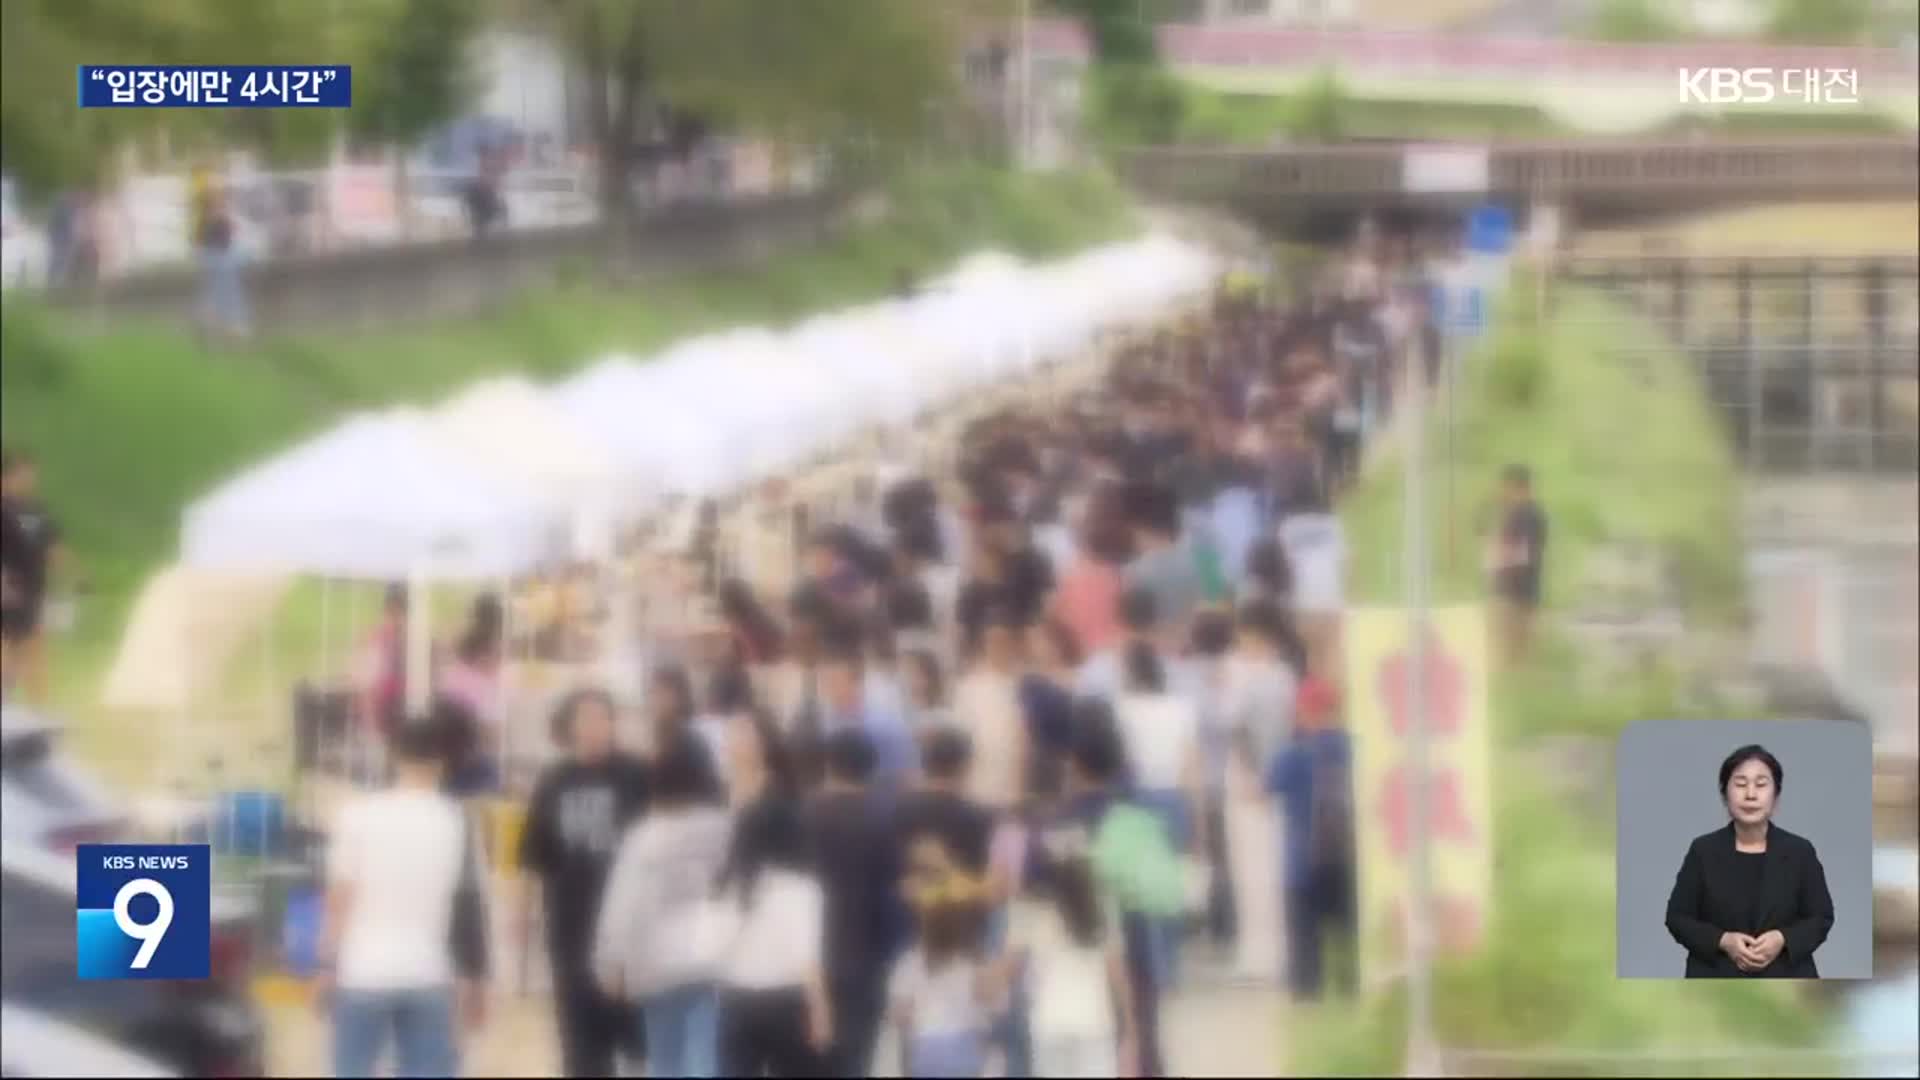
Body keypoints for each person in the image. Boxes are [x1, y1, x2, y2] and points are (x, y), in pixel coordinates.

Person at [320, 720, 490, 1078]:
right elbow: (469, 909)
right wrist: (475, 981)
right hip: (429, 971)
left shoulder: (358, 815)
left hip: (362, 970)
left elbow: (340, 899)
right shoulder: (458, 820)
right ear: (442, 762)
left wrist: (325, 966)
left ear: (393, 756)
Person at [517, 688, 653, 1077]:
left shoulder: (637, 774)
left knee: (634, 1045)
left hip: (629, 934)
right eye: (587, 718)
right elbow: (533, 856)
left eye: (603, 717)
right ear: (571, 725)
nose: (596, 727)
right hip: (570, 931)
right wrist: (521, 916)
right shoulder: (554, 779)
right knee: (580, 1048)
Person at [595, 735, 731, 1078]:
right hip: (712, 958)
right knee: (705, 1057)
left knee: (664, 1058)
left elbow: (622, 904)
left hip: (654, 961)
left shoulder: (645, 835)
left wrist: (612, 963)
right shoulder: (725, 829)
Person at [715, 708, 832, 1077]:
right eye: (730, 734)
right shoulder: (724, 796)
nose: (732, 742)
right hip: (735, 976)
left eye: (743, 733)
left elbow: (800, 910)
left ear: (764, 743)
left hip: (779, 980)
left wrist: (817, 998)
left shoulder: (778, 808)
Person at [1664, 744, 1835, 979]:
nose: (1751, 794)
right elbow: (1677, 918)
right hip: (1715, 979)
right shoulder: (1703, 850)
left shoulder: (1799, 851)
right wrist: (1723, 941)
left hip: (1786, 979)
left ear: (1776, 797)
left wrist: (1782, 939)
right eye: (1741, 784)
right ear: (1725, 794)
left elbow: (1821, 917)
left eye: (1761, 784)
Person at [807, 731, 907, 1077]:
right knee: (856, 1059)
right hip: (865, 958)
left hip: (807, 958)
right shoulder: (884, 821)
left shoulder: (802, 815)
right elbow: (895, 897)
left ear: (828, 764)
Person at [1112, 641, 1206, 993]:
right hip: (1173, 798)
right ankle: (1170, 967)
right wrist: (1196, 816)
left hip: (1136, 798)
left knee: (1139, 890)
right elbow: (1190, 764)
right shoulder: (1182, 709)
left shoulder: (1122, 710)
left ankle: (1149, 969)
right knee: (1169, 888)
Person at [997, 849, 1137, 1078]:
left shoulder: (1031, 910)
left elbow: (1009, 969)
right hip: (1094, 1022)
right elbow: (1118, 975)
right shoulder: (1101, 909)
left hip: (1048, 1023)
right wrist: (1131, 1031)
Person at [1265, 677, 1356, 1000]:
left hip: (1302, 864)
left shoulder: (1291, 754)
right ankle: (1350, 994)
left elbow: (1264, 790)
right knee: (1348, 938)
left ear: (1305, 711)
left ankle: (1309, 1001)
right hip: (1346, 860)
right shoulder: (1352, 747)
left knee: (1305, 947)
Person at [889, 848, 996, 1078]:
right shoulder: (974, 959)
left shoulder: (911, 961)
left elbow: (900, 1014)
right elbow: (989, 1004)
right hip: (965, 1048)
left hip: (924, 1049)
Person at [1, 452, 70, 706]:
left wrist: (73, 576)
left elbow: (53, 545)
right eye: (22, 474)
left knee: (36, 647)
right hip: (8, 589)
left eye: (31, 474)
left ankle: (37, 709)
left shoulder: (36, 510)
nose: (29, 479)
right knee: (7, 646)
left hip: (35, 589)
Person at [951, 609, 1030, 815]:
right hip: (976, 794)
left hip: (1016, 799)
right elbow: (960, 740)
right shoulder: (969, 687)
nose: (998, 648)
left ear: (1015, 645)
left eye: (1004, 642)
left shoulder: (1027, 685)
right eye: (992, 641)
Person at [816, 648, 918, 789]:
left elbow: (908, 774)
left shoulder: (886, 723)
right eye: (825, 681)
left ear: (856, 683)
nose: (829, 688)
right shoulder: (826, 724)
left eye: (835, 680)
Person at [1487, 464, 1548, 664]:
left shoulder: (1529, 515)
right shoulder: (1514, 514)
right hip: (1509, 592)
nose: (1502, 493)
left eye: (1506, 488)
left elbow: (1525, 553)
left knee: (1514, 652)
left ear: (1517, 487)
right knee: (1504, 650)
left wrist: (1497, 557)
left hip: (1518, 594)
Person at [900, 649, 951, 734]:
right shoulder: (898, 716)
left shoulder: (944, 717)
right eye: (907, 673)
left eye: (915, 673)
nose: (910, 680)